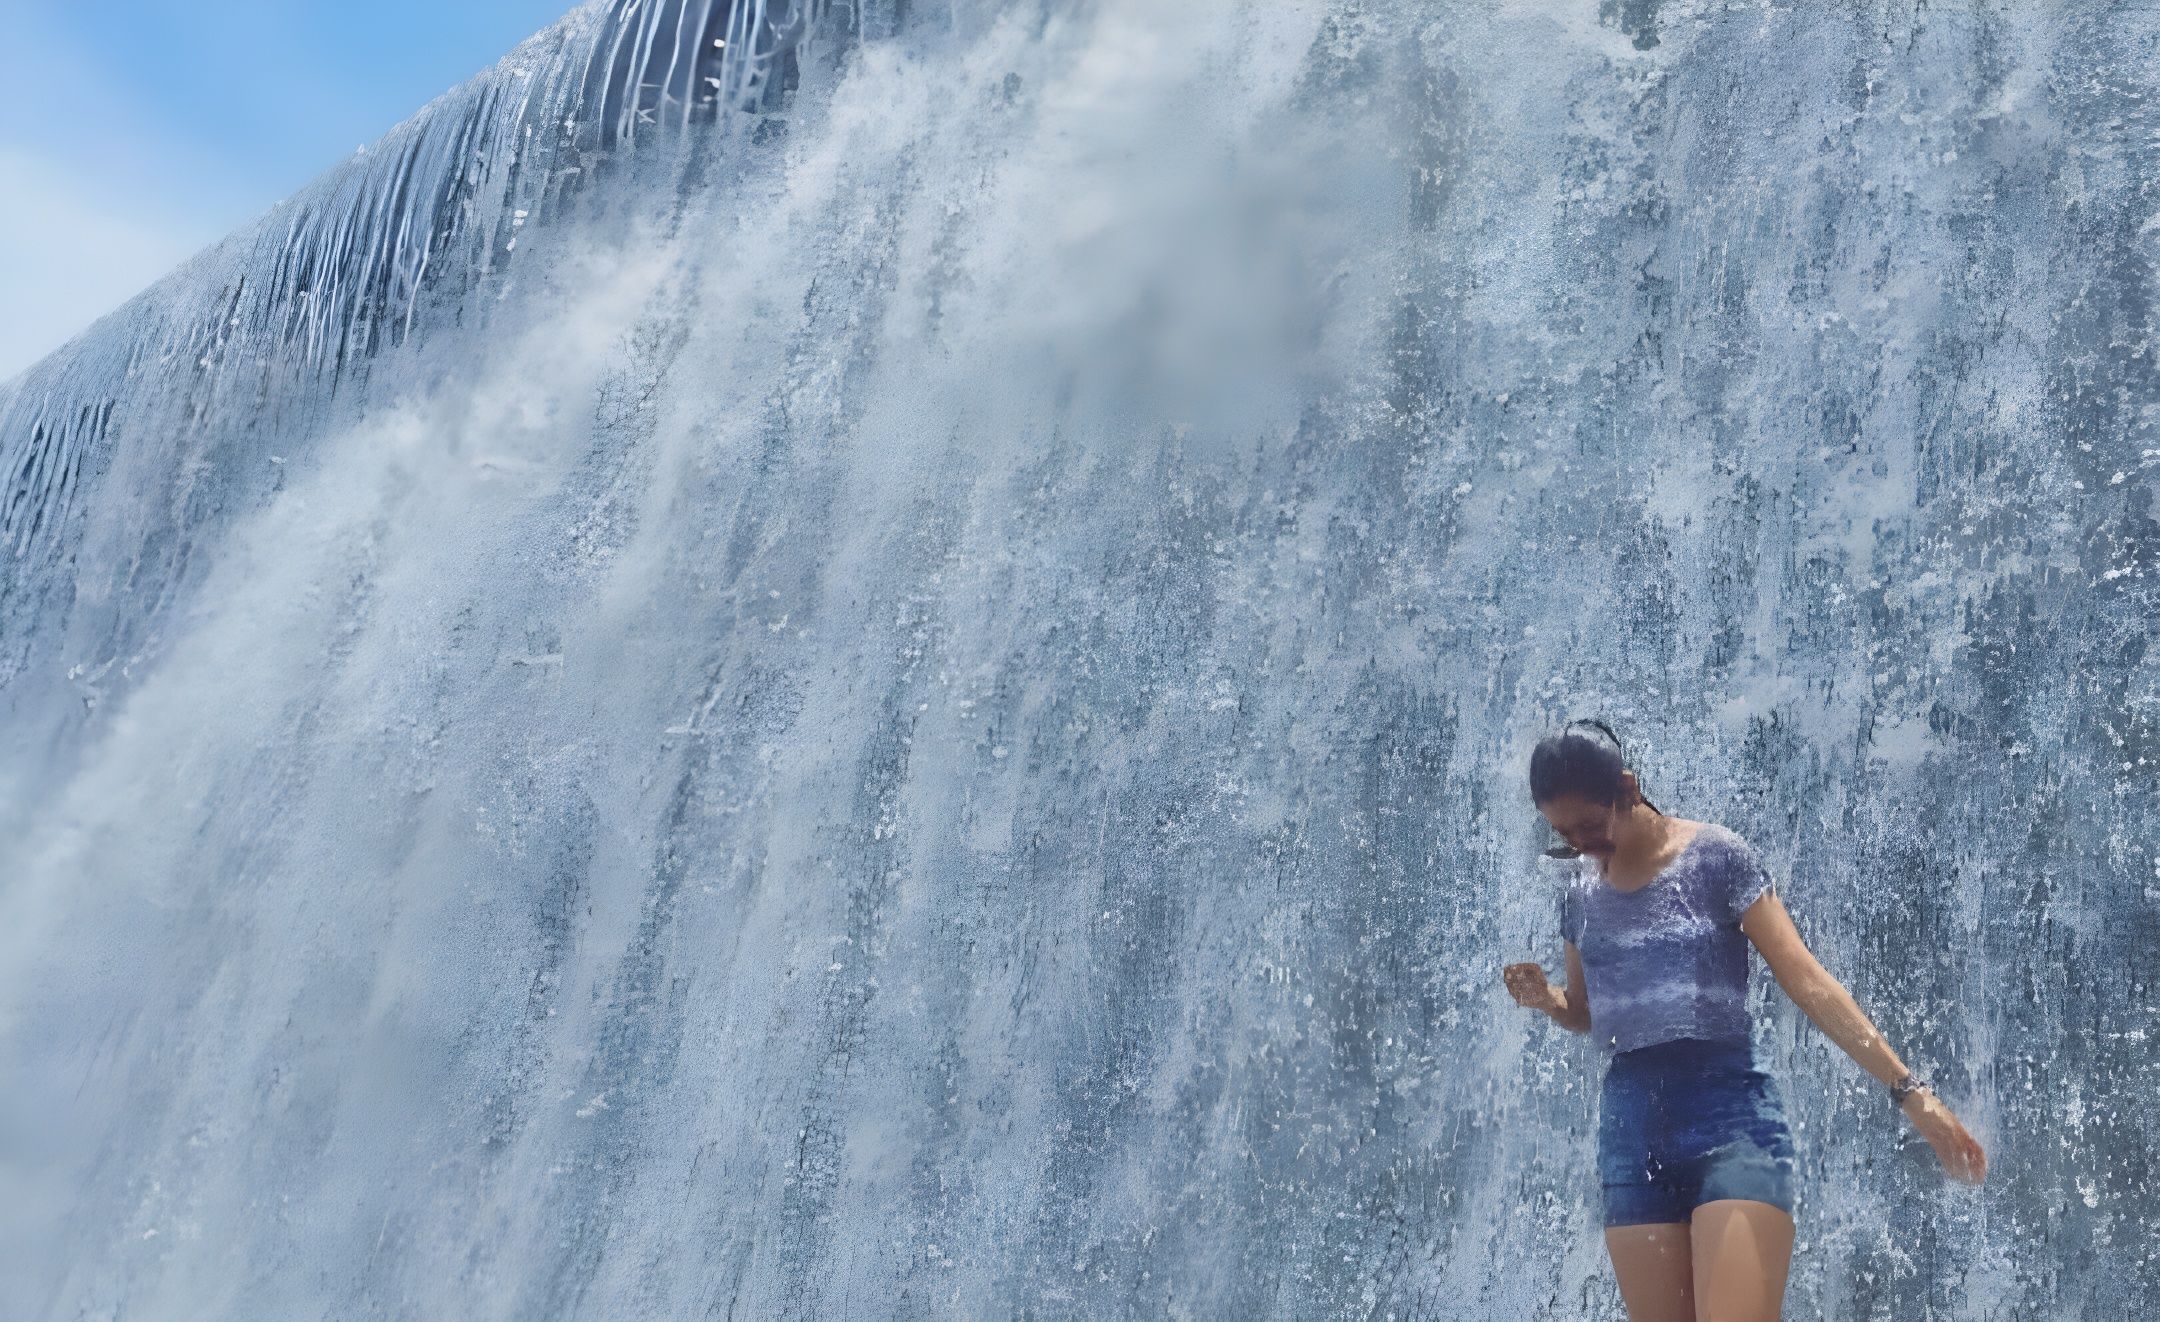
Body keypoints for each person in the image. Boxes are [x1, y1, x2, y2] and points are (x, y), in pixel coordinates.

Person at [1502, 718, 1987, 1322]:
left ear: (1627, 787)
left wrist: (1913, 1095)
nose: (1583, 845)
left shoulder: (1714, 858)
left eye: (1590, 826)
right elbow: (1588, 1013)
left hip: (1730, 1122)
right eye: (1565, 834)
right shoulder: (1577, 892)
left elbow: (1805, 978)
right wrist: (1550, 1000)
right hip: (1631, 1136)